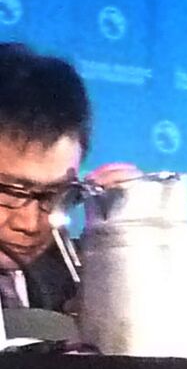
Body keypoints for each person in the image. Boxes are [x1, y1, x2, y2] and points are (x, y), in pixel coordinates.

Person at [0, 43, 135, 315]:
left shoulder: (81, 281)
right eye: (11, 192)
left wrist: (135, 253)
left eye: (56, 194)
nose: (31, 224)